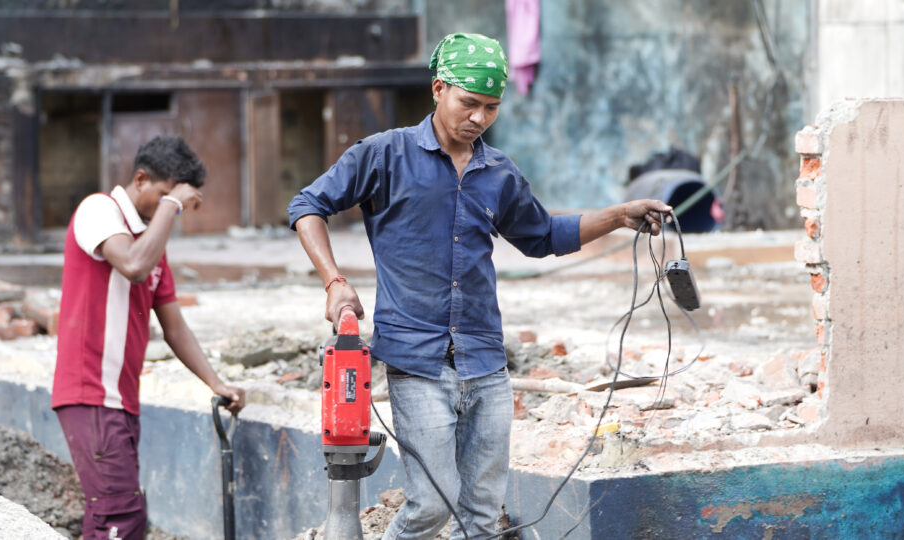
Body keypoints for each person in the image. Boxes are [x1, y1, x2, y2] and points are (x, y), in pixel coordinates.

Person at [288, 33, 671, 539]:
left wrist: (620, 215)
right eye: (469, 103)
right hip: (416, 362)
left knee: (484, 517)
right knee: (430, 507)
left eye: (491, 108)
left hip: (486, 363)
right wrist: (333, 282)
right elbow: (307, 206)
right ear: (438, 88)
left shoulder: (498, 173)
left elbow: (543, 237)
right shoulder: (384, 155)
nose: (479, 118)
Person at [51, 135, 246, 540]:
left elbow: (174, 326)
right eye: (163, 194)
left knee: (115, 519)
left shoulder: (150, 243)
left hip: (121, 402)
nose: (171, 209)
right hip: (90, 395)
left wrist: (216, 382)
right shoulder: (99, 210)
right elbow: (134, 266)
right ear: (140, 180)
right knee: (120, 518)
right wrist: (173, 205)